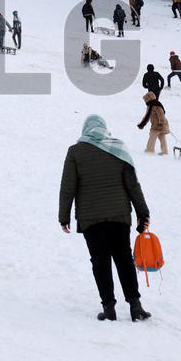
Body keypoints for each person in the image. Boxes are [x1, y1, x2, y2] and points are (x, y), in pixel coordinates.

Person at [58, 115, 151, 322]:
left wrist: (63, 216)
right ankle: (135, 306)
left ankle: (109, 308)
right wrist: (142, 212)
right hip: (119, 216)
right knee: (124, 258)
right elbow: (133, 185)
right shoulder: (118, 149)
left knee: (100, 261)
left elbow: (67, 188)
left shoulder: (75, 151)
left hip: (91, 218)